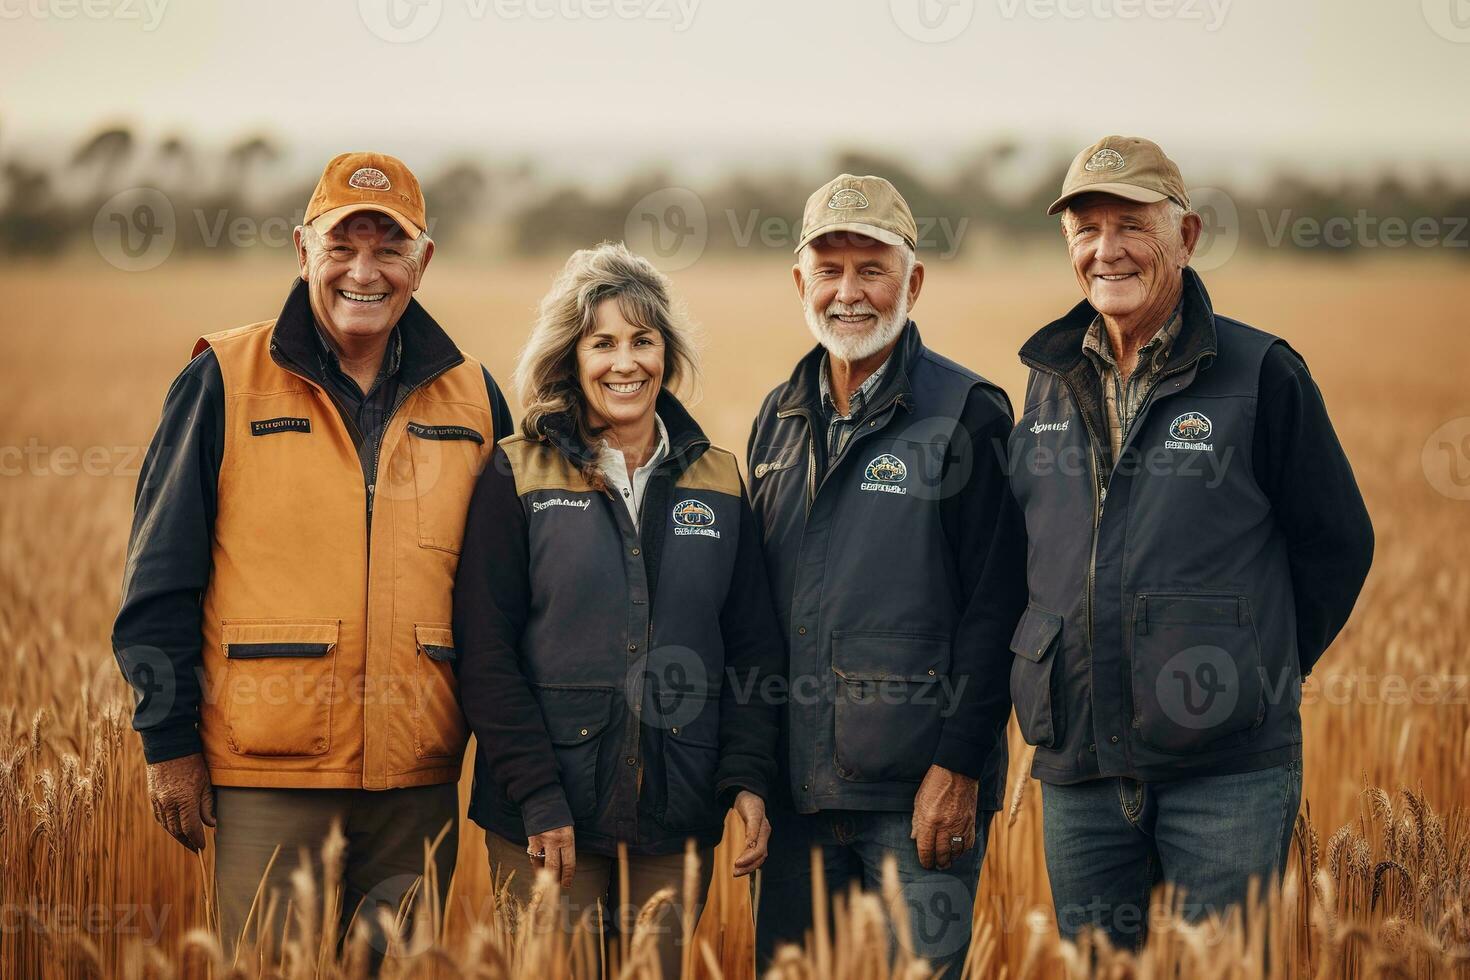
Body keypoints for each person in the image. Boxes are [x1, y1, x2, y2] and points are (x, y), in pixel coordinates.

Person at [111, 151, 513, 954]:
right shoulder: (222, 378)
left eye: (389, 248)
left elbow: (506, 589)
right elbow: (159, 580)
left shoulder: (475, 396)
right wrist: (170, 745)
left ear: (422, 262)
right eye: (342, 246)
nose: (364, 271)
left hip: (416, 783)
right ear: (303, 252)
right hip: (267, 777)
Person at [1010, 135, 1374, 948]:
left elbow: (1338, 544)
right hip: (1080, 771)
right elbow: (1038, 550)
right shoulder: (1046, 380)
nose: (1106, 250)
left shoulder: (1261, 374)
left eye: (1130, 224)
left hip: (1228, 775)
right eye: (1085, 229)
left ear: (1188, 234)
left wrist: (1249, 661)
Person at [453, 241, 784, 977]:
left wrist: (749, 778)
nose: (624, 362)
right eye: (601, 343)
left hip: (677, 812)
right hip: (545, 817)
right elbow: (484, 653)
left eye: (643, 340)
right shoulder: (515, 473)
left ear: (668, 353)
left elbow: (754, 649)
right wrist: (537, 794)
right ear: (571, 356)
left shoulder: (718, 478)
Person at [748, 174, 1027, 973]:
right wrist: (752, 775)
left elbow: (996, 607)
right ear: (800, 281)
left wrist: (959, 768)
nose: (849, 293)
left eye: (872, 268)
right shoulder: (780, 415)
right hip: (796, 800)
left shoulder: (967, 413)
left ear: (914, 282)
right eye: (829, 270)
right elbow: (758, 609)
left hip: (914, 804)